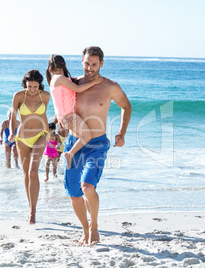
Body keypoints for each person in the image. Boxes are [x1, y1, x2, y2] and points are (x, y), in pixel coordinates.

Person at [64, 46, 131, 245]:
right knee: (75, 195)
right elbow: (62, 109)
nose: (89, 68)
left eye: (94, 64)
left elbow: (126, 106)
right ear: (81, 62)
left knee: (87, 186)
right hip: (73, 143)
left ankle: (94, 227)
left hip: (97, 145)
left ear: (101, 63)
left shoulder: (111, 87)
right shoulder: (73, 84)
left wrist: (122, 132)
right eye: (86, 63)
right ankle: (85, 230)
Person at [46, 54, 103, 170]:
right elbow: (77, 89)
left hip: (65, 116)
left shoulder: (55, 79)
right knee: (87, 135)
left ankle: (76, 160)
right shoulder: (59, 78)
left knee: (81, 137)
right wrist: (94, 82)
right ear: (65, 65)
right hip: (69, 116)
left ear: (50, 69)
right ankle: (70, 154)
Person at [8, 70, 50, 224]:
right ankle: (31, 207)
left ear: (40, 85)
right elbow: (13, 115)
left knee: (33, 172)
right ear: (25, 84)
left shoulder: (45, 96)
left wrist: (49, 132)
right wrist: (12, 133)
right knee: (26, 174)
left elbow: (43, 114)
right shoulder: (19, 96)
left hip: (40, 135)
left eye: (35, 86)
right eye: (29, 86)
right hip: (22, 138)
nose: (32, 89)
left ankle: (33, 211)